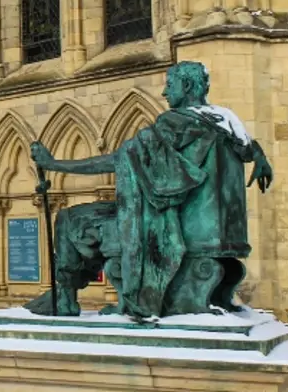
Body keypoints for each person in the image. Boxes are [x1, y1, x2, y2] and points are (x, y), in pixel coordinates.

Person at [28, 61, 274, 319]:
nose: (165, 93)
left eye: (169, 85)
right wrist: (260, 157)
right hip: (211, 231)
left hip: (174, 226)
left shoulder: (176, 123)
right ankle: (64, 293)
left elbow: (120, 158)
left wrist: (55, 164)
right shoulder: (226, 123)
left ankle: (65, 298)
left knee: (69, 218)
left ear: (187, 85)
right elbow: (249, 148)